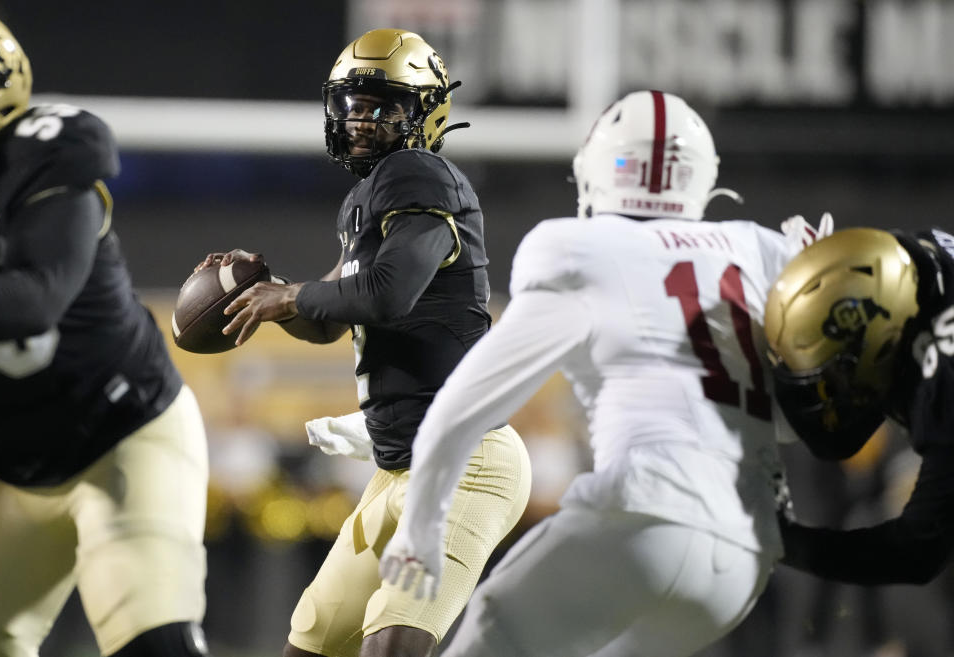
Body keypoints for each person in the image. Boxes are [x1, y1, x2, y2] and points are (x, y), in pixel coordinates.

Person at [377, 89, 822, 657]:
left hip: (639, 519)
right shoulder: (762, 251)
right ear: (701, 177)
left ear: (601, 168)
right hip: (742, 560)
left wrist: (421, 527)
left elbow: (463, 405)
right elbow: (790, 423)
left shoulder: (579, 248)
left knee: (496, 630)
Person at [204, 29, 531, 657]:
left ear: (427, 113)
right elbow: (329, 317)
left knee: (391, 647)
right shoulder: (373, 197)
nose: (362, 120)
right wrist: (268, 293)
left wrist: (291, 297)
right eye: (353, 105)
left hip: (465, 466)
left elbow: (387, 293)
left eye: (385, 106)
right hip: (396, 469)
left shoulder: (421, 175)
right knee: (312, 648)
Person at [0, 17, 212, 657]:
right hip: (9, 470)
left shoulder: (41, 159)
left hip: (120, 436)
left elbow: (35, 301)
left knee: (152, 640)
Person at [764, 226, 954, 585]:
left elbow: (916, 553)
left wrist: (780, 541)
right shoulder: (900, 264)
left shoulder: (943, 388)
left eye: (837, 372)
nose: (830, 390)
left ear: (884, 343)